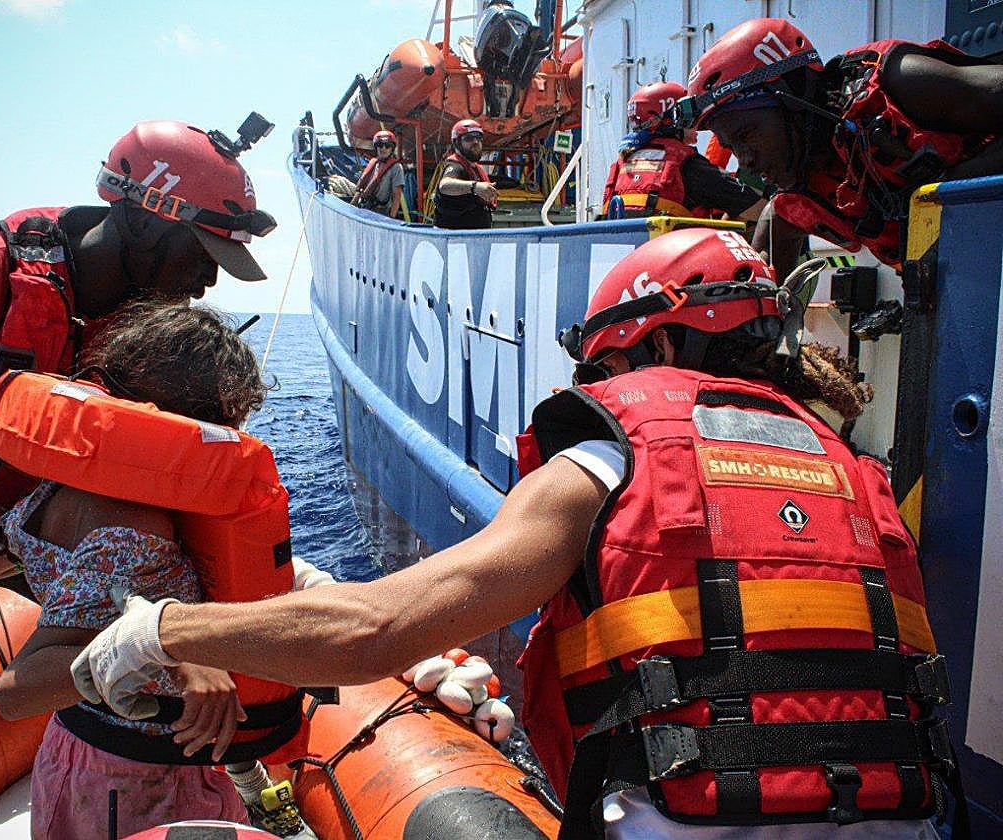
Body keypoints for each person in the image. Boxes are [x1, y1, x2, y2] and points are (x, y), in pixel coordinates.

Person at [72, 229, 959, 839]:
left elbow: (377, 629)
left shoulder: (608, 460)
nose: (603, 389)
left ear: (656, 352)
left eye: (608, 367)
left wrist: (164, 629)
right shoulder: (857, 472)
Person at [0, 118, 275, 839]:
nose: (209, 279)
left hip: (48, 524)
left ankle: (236, 778)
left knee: (198, 610)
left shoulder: (145, 321)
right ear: (144, 217)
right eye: (201, 253)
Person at [0, 301, 313, 839]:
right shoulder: (132, 530)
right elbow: (15, 690)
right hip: (145, 788)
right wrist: (168, 650)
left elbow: (47, 571)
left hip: (77, 757)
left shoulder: (63, 485)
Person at [677, 18, 1003, 278]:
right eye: (732, 146)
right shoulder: (804, 185)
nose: (745, 161)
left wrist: (945, 193)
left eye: (747, 135)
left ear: (793, 100)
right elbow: (778, 218)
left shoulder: (899, 87)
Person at [603, 81, 766, 223]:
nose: (697, 121)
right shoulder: (688, 165)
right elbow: (757, 209)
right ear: (672, 118)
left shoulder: (623, 163)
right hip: (676, 247)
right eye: (690, 112)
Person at [434, 118, 499, 229]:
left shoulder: (476, 169)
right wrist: (475, 187)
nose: (476, 142)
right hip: (455, 236)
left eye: (478, 138)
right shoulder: (455, 166)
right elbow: (444, 185)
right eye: (469, 138)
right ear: (456, 143)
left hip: (475, 236)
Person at [351, 129, 406, 218]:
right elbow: (361, 188)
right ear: (376, 147)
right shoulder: (373, 164)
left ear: (392, 149)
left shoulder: (396, 168)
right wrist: (352, 207)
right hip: (364, 208)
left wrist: (391, 219)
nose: (383, 148)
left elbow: (397, 196)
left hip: (381, 212)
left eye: (387, 146)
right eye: (380, 145)